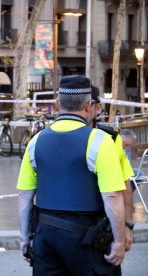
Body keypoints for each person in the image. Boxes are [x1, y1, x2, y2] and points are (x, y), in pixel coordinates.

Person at [17, 75, 126, 275]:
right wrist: (119, 240)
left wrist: (25, 238)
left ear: (57, 103)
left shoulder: (36, 140)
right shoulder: (100, 141)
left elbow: (25, 196)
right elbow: (112, 196)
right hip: (87, 238)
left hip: (45, 234)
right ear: (88, 105)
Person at [89, 86, 135, 275]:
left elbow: (124, 184)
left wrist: (128, 226)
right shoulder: (46, 137)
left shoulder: (110, 137)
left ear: (97, 107)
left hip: (100, 229)